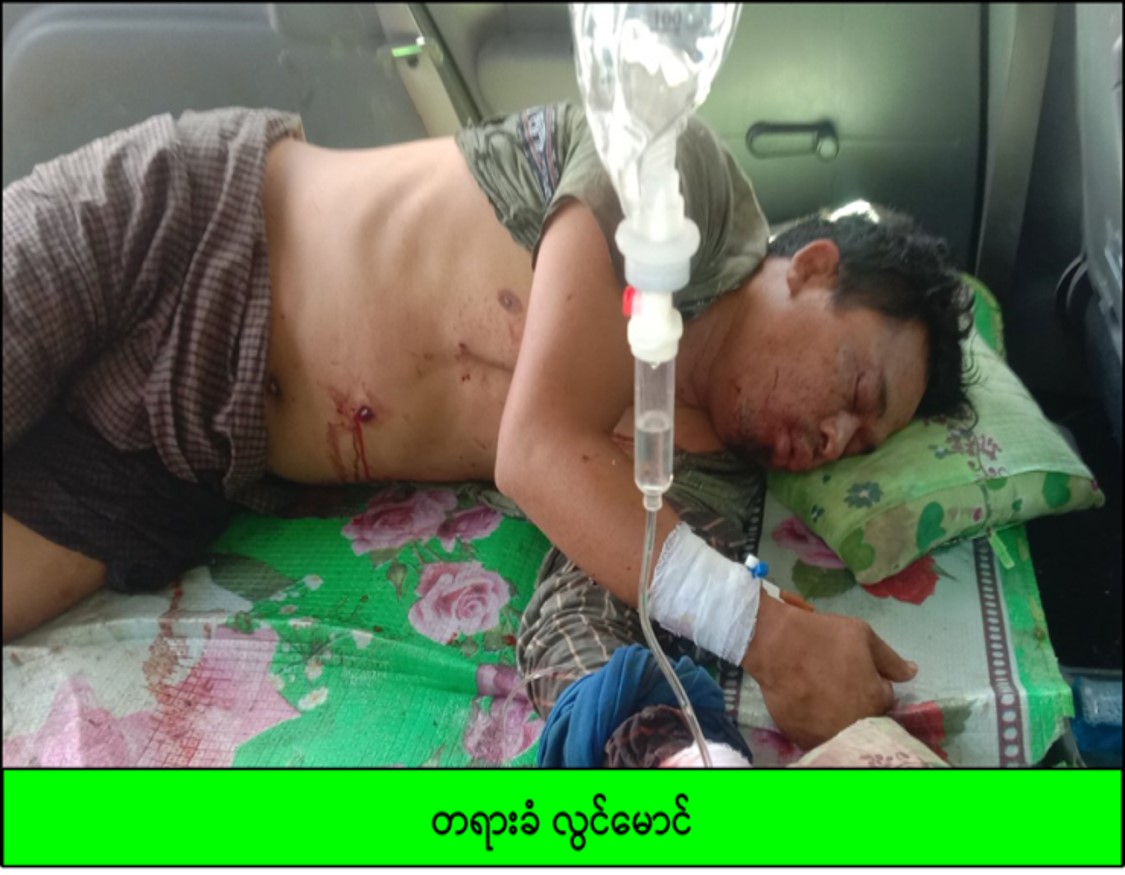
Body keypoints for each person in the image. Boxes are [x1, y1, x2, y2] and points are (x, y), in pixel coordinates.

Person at [2, 102, 972, 749]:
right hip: (181, 228)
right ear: (811, 269)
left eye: (858, 442)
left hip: (184, 448)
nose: (835, 435)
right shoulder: (680, 176)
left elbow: (582, 623)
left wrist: (683, 762)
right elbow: (537, 449)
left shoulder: (704, 480)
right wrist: (764, 630)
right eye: (855, 387)